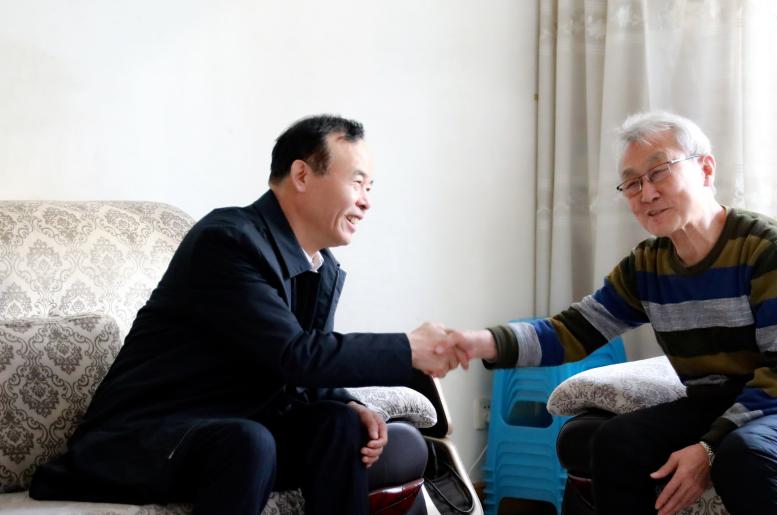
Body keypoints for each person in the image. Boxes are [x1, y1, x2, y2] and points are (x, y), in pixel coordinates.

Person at [30, 115, 460, 515]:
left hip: (225, 434)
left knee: (338, 424)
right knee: (248, 441)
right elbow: (293, 354)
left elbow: (300, 370)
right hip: (143, 438)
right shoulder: (226, 242)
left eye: (370, 187)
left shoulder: (319, 267)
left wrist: (348, 402)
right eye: (357, 183)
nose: (366, 202)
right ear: (302, 175)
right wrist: (409, 349)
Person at [447, 111, 777, 515]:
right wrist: (479, 343)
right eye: (632, 184)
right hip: (716, 403)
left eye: (659, 172)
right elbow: (570, 331)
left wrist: (708, 448)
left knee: (744, 452)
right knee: (614, 441)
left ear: (705, 169)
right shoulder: (647, 266)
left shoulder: (769, 248)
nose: (646, 194)